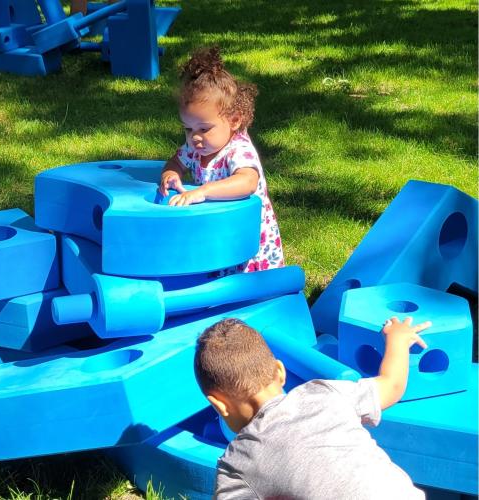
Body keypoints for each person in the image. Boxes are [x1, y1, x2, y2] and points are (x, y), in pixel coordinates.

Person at [194, 316, 431, 499]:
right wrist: (398, 340)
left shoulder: (237, 465)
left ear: (219, 405)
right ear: (280, 371)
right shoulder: (325, 393)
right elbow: (392, 385)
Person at [159, 47, 283, 274]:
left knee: (241, 286)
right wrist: (171, 174)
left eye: (204, 128)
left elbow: (247, 181)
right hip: (217, 232)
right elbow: (176, 161)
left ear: (234, 121)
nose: (194, 137)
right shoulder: (197, 147)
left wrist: (204, 191)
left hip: (245, 239)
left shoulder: (238, 149)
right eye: (188, 128)